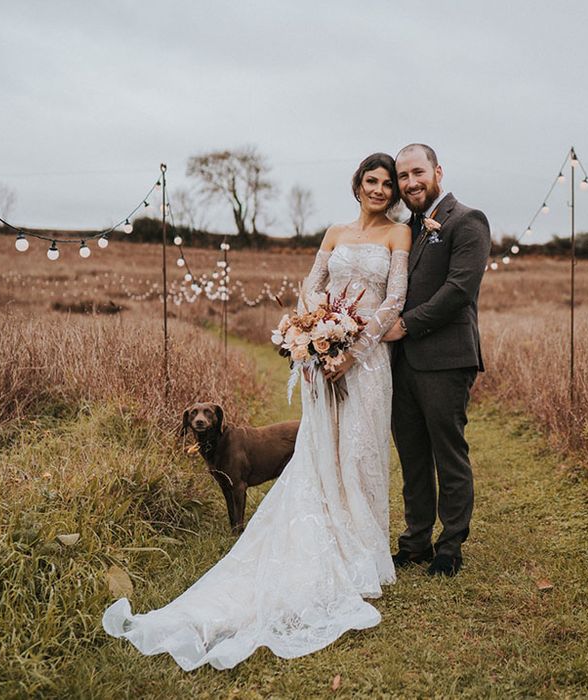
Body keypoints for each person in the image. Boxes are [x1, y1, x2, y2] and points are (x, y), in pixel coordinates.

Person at [102, 153, 411, 671]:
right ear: (357, 184)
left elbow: (394, 299)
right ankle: (322, 538)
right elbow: (312, 286)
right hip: (321, 359)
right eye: (370, 180)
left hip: (367, 364)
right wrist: (317, 332)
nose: (378, 189)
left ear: (394, 193)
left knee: (360, 453)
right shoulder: (334, 231)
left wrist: (352, 348)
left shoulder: (398, 235)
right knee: (318, 453)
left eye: (387, 183)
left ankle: (360, 551)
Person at [381, 143, 491, 577]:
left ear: (437, 171)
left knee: (448, 454)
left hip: (446, 360)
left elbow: (458, 291)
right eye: (403, 176)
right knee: (411, 456)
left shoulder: (467, 221)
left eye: (417, 172)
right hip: (401, 364)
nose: (410, 182)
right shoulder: (408, 228)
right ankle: (415, 542)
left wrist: (405, 326)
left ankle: (450, 546)